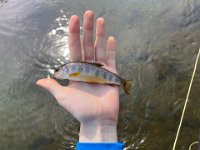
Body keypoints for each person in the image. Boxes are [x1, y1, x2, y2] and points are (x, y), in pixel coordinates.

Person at [36, 10, 124, 150]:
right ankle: (122, 82)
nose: (57, 73)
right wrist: (98, 123)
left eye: (59, 71)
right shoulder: (72, 72)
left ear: (66, 70)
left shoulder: (72, 72)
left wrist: (96, 125)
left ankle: (122, 82)